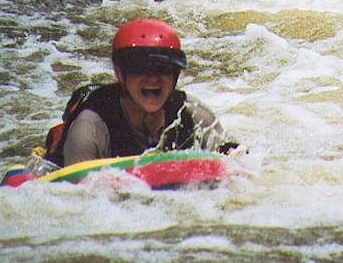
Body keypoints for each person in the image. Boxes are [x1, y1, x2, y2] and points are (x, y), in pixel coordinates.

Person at [42, 18, 240, 167]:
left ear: (175, 76)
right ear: (120, 73)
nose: (153, 78)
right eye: (140, 68)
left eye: (163, 69)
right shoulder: (88, 129)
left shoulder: (194, 116)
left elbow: (235, 165)